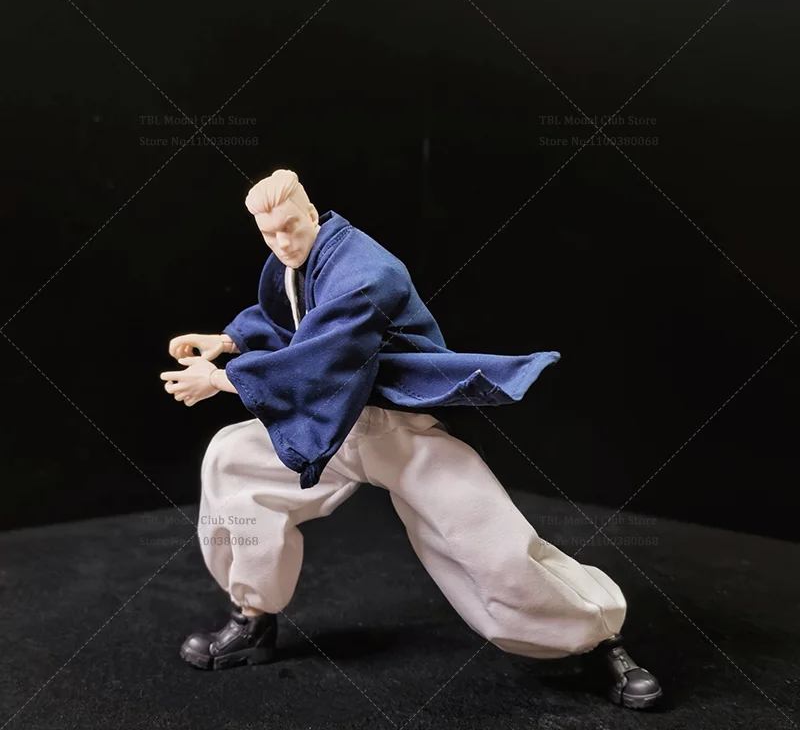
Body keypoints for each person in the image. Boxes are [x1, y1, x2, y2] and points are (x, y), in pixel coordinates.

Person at [160, 169, 662, 709]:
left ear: (311, 212)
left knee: (484, 534)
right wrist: (227, 340)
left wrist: (220, 379)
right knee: (232, 462)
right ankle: (252, 619)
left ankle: (596, 638)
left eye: (289, 227)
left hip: (394, 428)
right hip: (332, 427)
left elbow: (322, 356)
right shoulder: (295, 261)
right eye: (268, 234)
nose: (281, 242)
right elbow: (284, 319)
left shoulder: (367, 271)